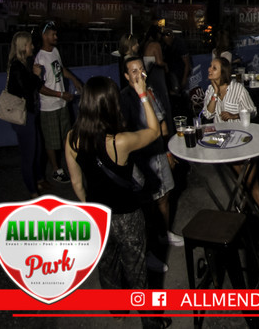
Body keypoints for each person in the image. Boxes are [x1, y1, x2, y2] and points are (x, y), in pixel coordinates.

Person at [64, 76, 169, 329]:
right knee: (137, 268)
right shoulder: (118, 141)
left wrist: (91, 207)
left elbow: (77, 183)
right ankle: (150, 321)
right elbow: (155, 131)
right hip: (127, 216)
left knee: (106, 263)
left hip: (96, 216)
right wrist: (142, 95)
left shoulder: (72, 138)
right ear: (110, 104)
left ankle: (118, 309)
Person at [120, 56, 182, 249]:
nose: (140, 74)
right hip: (140, 159)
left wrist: (168, 153)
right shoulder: (124, 98)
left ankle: (164, 234)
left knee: (164, 196)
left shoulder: (151, 91)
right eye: (134, 71)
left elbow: (162, 125)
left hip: (158, 153)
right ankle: (148, 247)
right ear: (126, 76)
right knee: (145, 203)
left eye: (142, 69)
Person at [202, 56, 259, 214]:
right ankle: (248, 215)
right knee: (241, 182)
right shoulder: (210, 90)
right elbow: (208, 114)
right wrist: (215, 94)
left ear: (223, 72)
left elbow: (253, 111)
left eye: (214, 68)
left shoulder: (238, 89)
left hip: (243, 140)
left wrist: (235, 115)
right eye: (210, 66)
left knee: (251, 183)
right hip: (225, 143)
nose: (209, 69)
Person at [35, 22, 84, 183]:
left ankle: (70, 163)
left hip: (61, 104)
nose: (56, 37)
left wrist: (73, 79)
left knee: (65, 136)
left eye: (56, 34)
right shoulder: (40, 58)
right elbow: (39, 87)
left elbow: (60, 69)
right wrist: (60, 94)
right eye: (53, 34)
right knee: (51, 141)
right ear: (44, 36)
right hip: (49, 107)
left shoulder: (55, 51)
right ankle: (56, 170)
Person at [6, 31, 47, 197]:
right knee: (28, 155)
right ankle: (32, 191)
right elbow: (27, 89)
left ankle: (37, 181)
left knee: (37, 150)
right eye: (30, 44)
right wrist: (36, 76)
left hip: (29, 114)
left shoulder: (23, 64)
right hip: (23, 117)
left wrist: (36, 76)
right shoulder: (17, 66)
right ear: (24, 46)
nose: (33, 47)